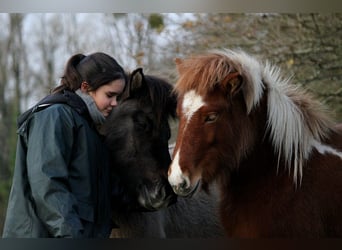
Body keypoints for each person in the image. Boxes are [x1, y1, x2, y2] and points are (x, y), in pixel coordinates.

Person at [2, 52, 127, 238]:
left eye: (118, 97)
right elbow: (47, 185)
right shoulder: (55, 116)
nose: (115, 103)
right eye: (110, 95)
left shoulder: (89, 128)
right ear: (85, 87)